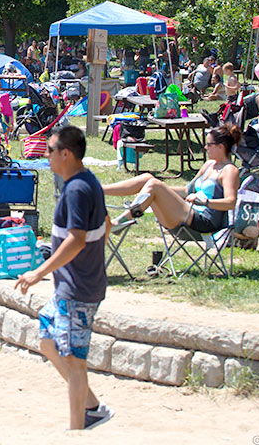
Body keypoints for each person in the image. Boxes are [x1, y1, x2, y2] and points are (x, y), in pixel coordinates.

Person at [14, 126, 111, 431]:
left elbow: (77, 240)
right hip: (69, 287)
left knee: (74, 360)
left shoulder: (77, 189)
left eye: (50, 150)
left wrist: (38, 272)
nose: (46, 156)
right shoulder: (86, 181)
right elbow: (106, 224)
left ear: (66, 154)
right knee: (47, 341)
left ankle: (77, 429)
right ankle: (92, 407)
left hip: (78, 290)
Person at [107, 124, 242, 238]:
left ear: (221, 147)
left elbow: (231, 203)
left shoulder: (229, 170)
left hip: (204, 222)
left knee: (154, 185)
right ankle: (99, 189)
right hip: (188, 213)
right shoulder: (209, 165)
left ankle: (121, 222)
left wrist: (205, 202)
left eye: (209, 144)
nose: (205, 148)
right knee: (148, 179)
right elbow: (186, 190)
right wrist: (162, 190)